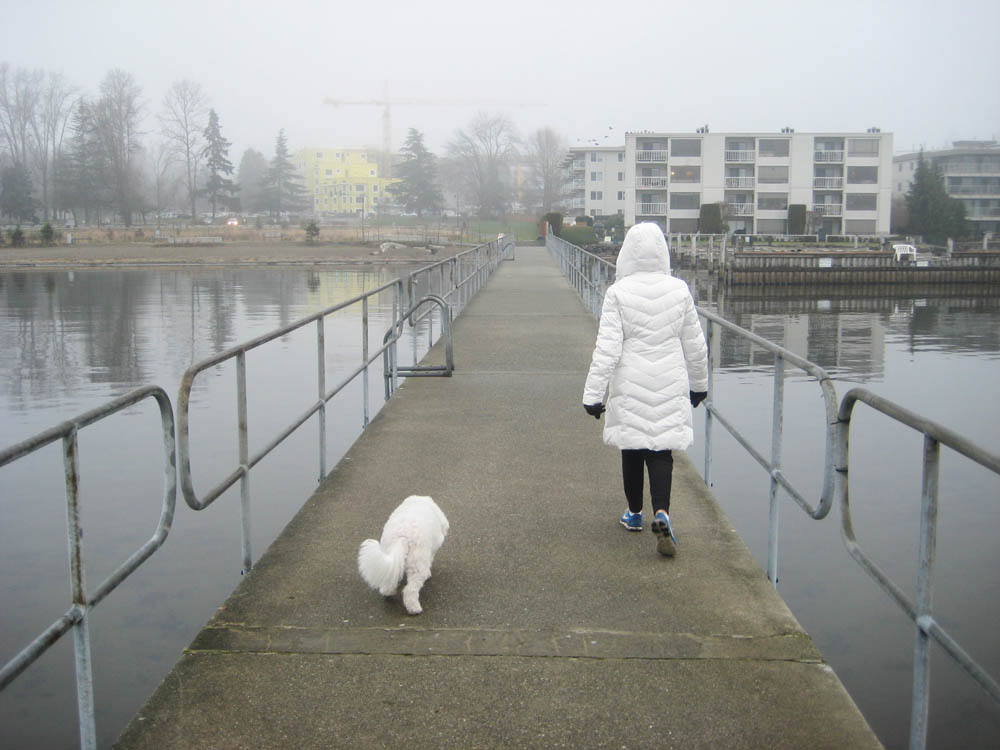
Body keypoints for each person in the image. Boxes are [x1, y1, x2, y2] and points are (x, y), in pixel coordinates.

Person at [582, 222, 708, 556]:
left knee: (632, 447)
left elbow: (607, 349)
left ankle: (635, 514)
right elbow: (696, 346)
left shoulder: (618, 293)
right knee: (661, 450)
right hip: (669, 380)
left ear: (626, 254)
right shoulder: (679, 290)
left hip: (630, 381)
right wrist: (699, 386)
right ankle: (662, 513)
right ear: (662, 253)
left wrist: (592, 396)